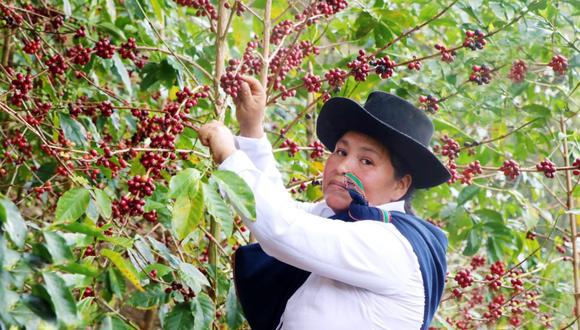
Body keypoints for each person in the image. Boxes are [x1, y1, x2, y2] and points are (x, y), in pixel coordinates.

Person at [198, 76, 451, 330]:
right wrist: (252, 131)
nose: (342, 167)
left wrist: (230, 157)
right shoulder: (343, 218)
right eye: (341, 152)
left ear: (400, 185)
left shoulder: (391, 246)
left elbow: (284, 229)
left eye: (367, 161)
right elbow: (279, 208)